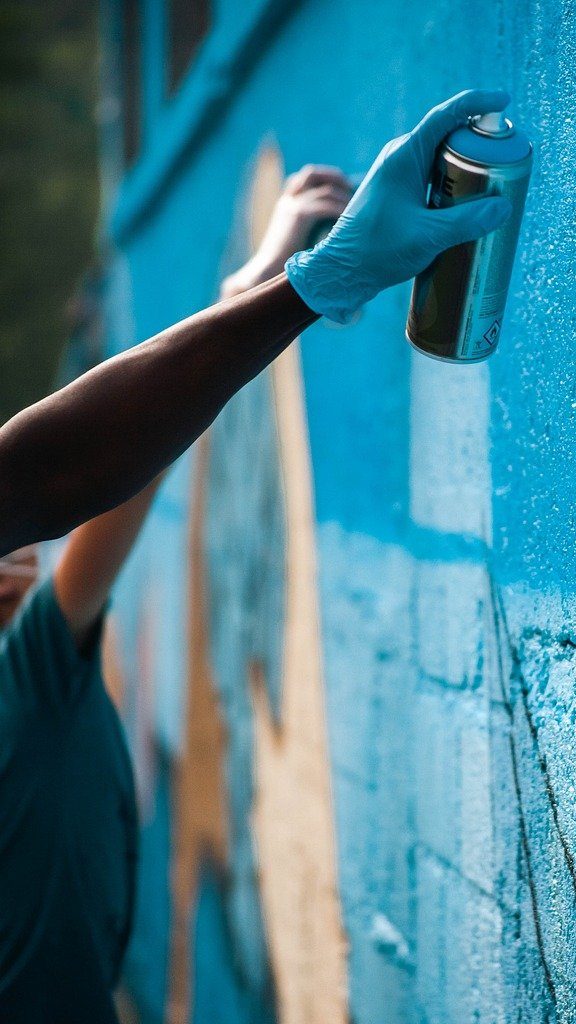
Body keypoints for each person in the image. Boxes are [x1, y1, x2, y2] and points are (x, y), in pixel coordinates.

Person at [0, 89, 513, 1024]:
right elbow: (76, 479)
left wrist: (272, 286)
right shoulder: (22, 671)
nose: (29, 556)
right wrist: (292, 285)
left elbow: (59, 477)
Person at [0, 89, 512, 559]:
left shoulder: (35, 651)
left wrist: (264, 286)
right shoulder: (36, 646)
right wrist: (316, 281)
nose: (18, 572)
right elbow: (57, 477)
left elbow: (87, 473)